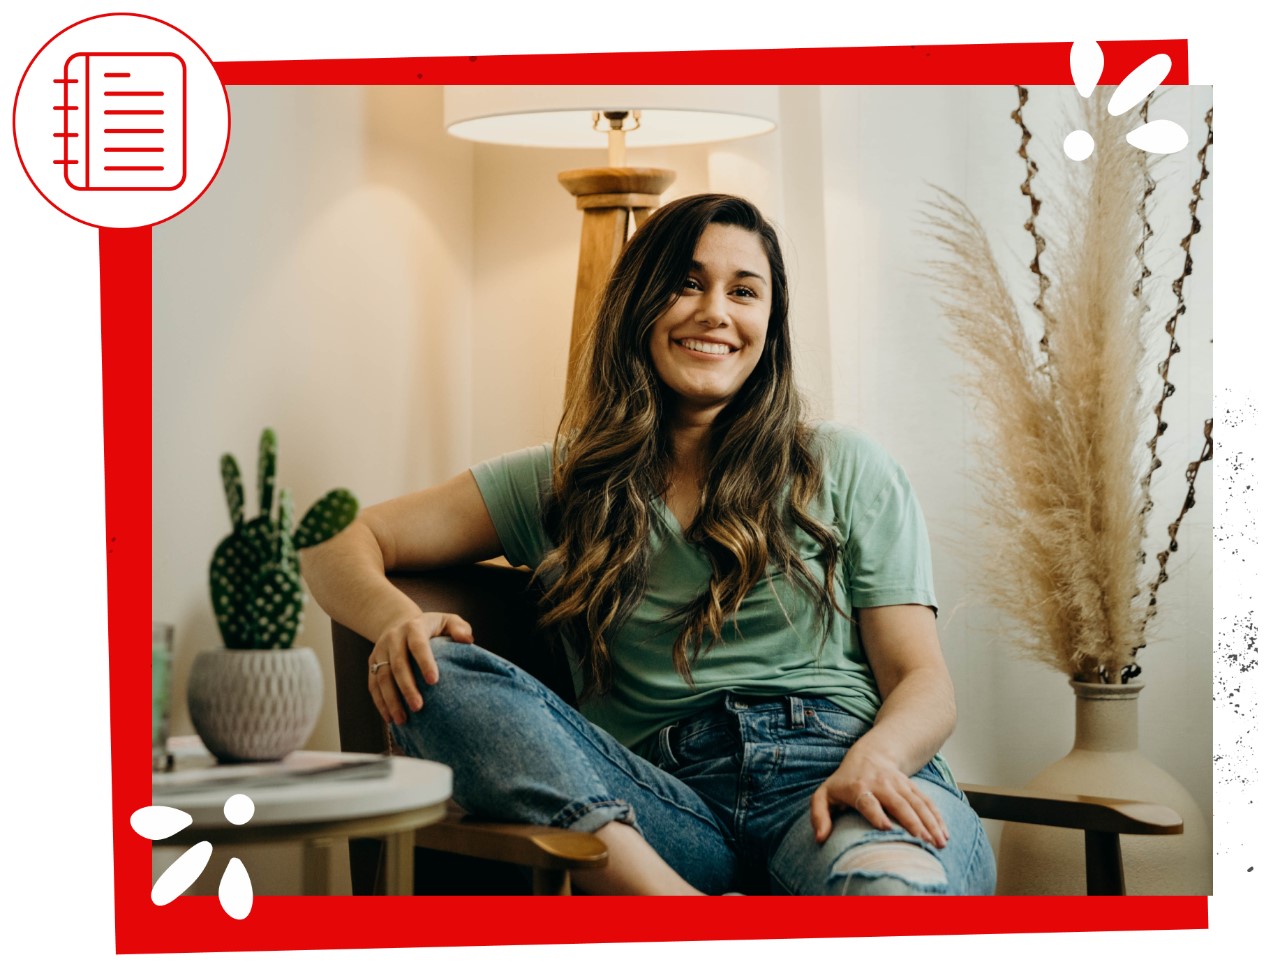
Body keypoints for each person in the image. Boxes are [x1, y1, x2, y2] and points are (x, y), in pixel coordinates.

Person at [301, 193, 997, 895]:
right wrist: (396, 623)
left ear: (769, 325)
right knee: (436, 670)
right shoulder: (564, 480)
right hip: (658, 808)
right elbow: (332, 540)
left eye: (743, 291)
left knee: (888, 896)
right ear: (639, 304)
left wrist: (878, 757)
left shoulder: (844, 464)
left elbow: (924, 682)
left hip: (835, 781)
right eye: (686, 283)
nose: (714, 312)